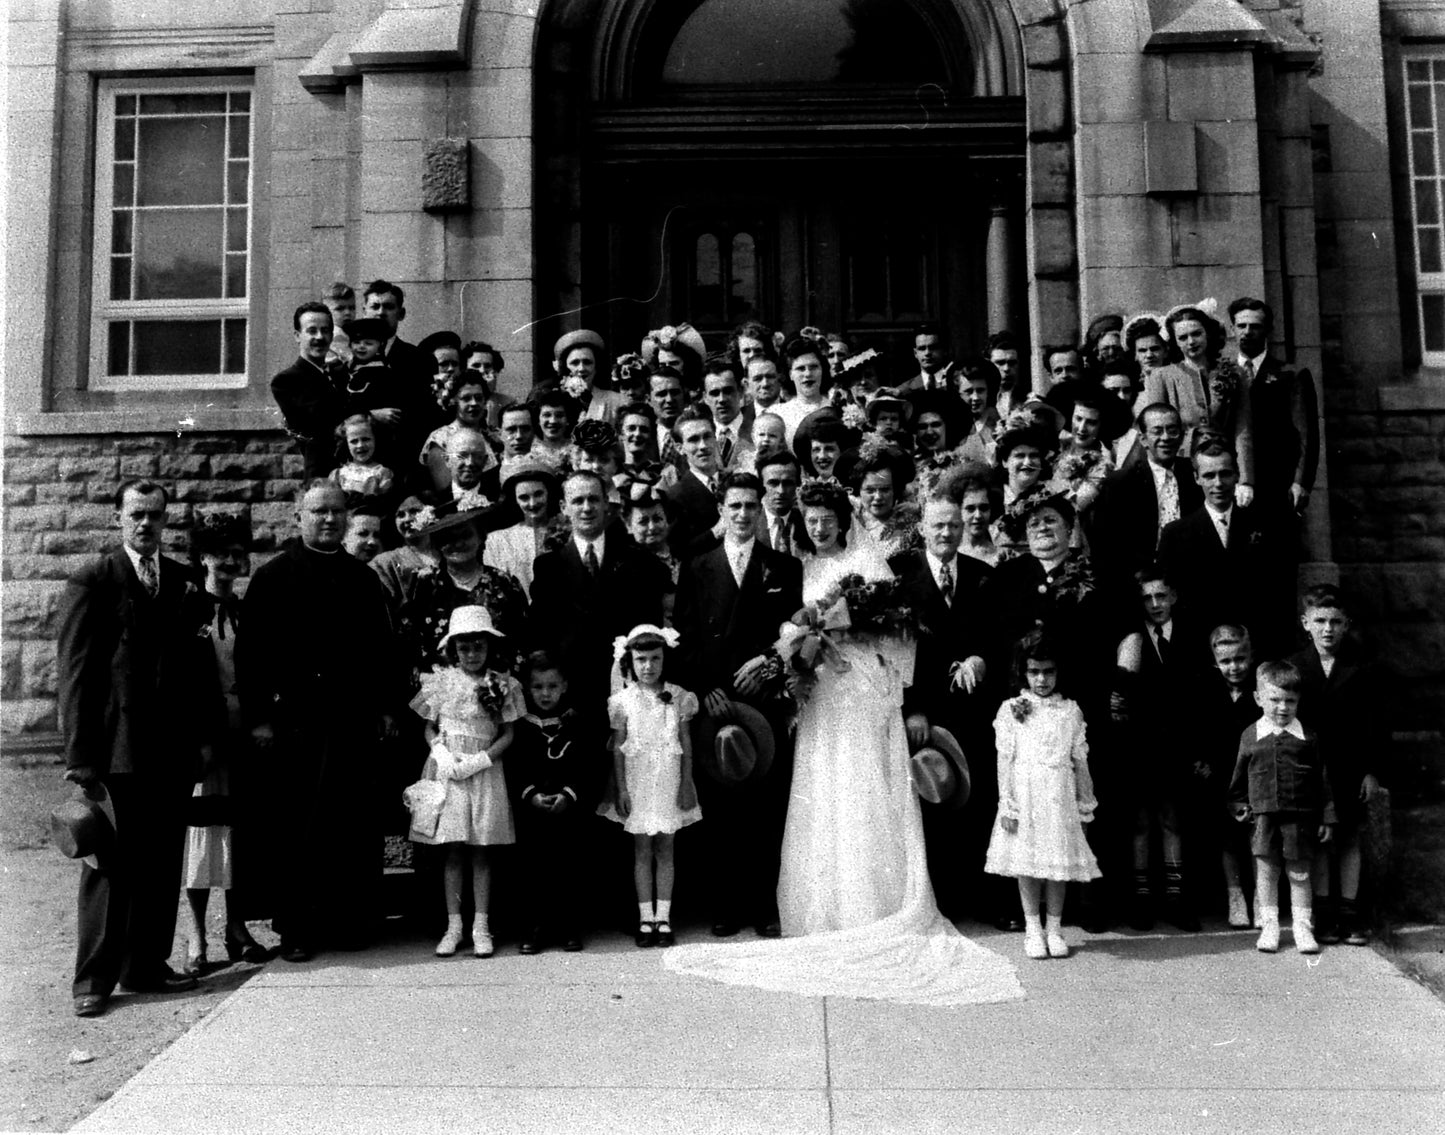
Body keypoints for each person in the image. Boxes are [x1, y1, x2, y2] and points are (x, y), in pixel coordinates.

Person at [663, 480, 1023, 1007]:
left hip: (860, 691)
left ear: (842, 518)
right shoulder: (796, 569)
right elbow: (784, 627)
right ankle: (821, 907)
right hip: (819, 696)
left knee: (863, 788)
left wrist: (855, 638)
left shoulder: (871, 566)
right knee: (821, 787)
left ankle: (874, 905)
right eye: (811, 518)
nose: (820, 525)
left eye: (827, 516)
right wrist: (799, 639)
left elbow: (899, 639)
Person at [58, 481, 216, 1017]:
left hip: (169, 750)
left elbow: (199, 672)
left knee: (160, 862)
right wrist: (80, 758)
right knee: (107, 865)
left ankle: (145, 966)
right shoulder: (94, 579)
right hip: (114, 751)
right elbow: (76, 674)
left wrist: (204, 740)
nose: (145, 524)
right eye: (135, 515)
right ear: (118, 517)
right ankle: (94, 981)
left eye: (154, 515)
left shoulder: (182, 581)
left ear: (165, 520)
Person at [237, 481, 400, 962]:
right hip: (295, 724)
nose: (328, 520)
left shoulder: (362, 578)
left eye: (336, 512)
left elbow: (382, 651)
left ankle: (348, 920)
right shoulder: (273, 577)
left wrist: (387, 708)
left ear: (347, 518)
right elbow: (251, 657)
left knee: (350, 821)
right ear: (299, 517)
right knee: (298, 825)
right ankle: (298, 927)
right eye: (318, 511)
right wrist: (260, 719)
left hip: (351, 721)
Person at [672, 472, 803, 937]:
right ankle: (725, 905)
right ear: (722, 513)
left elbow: (792, 634)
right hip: (717, 700)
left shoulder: (783, 568)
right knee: (722, 809)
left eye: (751, 506)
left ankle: (764, 906)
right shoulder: (699, 566)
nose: (744, 514)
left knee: (765, 806)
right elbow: (685, 638)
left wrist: (769, 666)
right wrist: (706, 686)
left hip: (763, 700)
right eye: (735, 507)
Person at [889, 496, 995, 921]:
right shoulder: (900, 576)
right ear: (923, 527)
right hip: (923, 713)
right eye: (938, 526)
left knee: (976, 799)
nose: (947, 532)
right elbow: (893, 652)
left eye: (954, 525)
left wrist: (980, 659)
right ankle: (941, 903)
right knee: (931, 800)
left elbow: (997, 637)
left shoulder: (983, 576)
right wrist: (913, 709)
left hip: (971, 709)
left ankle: (981, 899)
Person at [179, 513, 271, 975]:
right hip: (204, 744)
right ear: (203, 558)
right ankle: (195, 936)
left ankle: (237, 930)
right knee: (201, 836)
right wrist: (198, 738)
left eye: (239, 553)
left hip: (243, 737)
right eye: (222, 553)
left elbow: (260, 674)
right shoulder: (187, 612)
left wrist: (259, 721)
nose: (232, 561)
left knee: (239, 835)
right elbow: (182, 683)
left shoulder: (248, 612)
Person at [407, 606, 525, 958]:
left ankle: (481, 926)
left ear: (489, 647)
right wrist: (439, 751)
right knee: (453, 851)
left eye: (478, 647)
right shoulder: (441, 681)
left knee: (482, 851)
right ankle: (454, 926)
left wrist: (482, 759)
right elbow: (429, 725)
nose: (471, 655)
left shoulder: (501, 684)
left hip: (483, 770)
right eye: (464, 648)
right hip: (448, 770)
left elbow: (508, 732)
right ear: (453, 650)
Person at [985, 631, 1101, 959]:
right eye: (1034, 671)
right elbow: (1004, 762)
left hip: (1059, 797)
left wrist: (1084, 805)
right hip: (1026, 796)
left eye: (1048, 671)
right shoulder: (1011, 709)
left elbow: (1080, 762)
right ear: (1023, 672)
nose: (1041, 679)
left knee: (1057, 864)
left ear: (1059, 672)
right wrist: (1006, 803)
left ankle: (1054, 928)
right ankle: (1032, 928)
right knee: (1028, 864)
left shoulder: (1071, 711)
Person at [1291, 586, 1387, 946]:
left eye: (1335, 621)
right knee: (1318, 839)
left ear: (1347, 624)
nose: (1327, 629)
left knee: (1348, 838)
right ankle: (1325, 913)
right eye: (1320, 621)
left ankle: (1350, 913)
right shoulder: (1296, 667)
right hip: (1311, 769)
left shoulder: (1363, 668)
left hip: (1350, 767)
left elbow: (1377, 725)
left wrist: (1372, 771)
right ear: (1306, 623)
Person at [599, 625, 701, 948]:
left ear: (664, 659)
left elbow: (686, 743)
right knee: (642, 850)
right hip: (638, 780)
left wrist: (687, 783)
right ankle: (645, 918)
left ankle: (664, 918)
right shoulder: (622, 701)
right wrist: (622, 790)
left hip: (668, 778)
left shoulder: (679, 696)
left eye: (655, 659)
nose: (648, 667)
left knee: (666, 849)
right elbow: (618, 747)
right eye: (641, 659)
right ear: (630, 660)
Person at [1110, 567, 1196, 931]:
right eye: (1147, 598)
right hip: (1140, 743)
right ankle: (1142, 898)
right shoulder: (1131, 641)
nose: (1155, 604)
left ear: (1173, 596)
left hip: (1177, 741)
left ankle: (1176, 899)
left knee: (1172, 819)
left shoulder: (1190, 635)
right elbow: (1122, 695)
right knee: (1141, 821)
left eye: (1161, 596)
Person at [1229, 660, 1335, 954]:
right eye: (1274, 700)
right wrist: (1237, 804)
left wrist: (1327, 816)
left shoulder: (1308, 738)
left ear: (1299, 701)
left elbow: (1322, 781)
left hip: (1299, 819)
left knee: (1299, 873)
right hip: (1263, 819)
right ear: (1259, 698)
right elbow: (1238, 778)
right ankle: (1270, 924)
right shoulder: (1251, 735)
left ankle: (1302, 926)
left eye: (1290, 701)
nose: (1282, 707)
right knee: (1266, 871)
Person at [510, 651, 601, 954]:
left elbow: (588, 766)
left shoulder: (576, 721)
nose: (545, 694)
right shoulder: (522, 726)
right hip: (532, 810)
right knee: (533, 868)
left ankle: (569, 926)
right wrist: (531, 794)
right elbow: (514, 767)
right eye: (537, 687)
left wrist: (569, 794)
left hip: (568, 810)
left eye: (552, 686)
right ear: (527, 688)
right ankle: (536, 926)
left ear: (564, 686)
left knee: (569, 866)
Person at [1157, 440, 1275, 660]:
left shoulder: (1262, 527)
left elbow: (1274, 594)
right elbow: (1171, 602)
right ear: (1196, 478)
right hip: (1198, 652)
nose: (1218, 483)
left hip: (1252, 651)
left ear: (1238, 475)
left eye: (1225, 474)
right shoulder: (1176, 534)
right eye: (1210, 475)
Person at [1191, 624, 1261, 929]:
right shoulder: (1206, 690)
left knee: (1259, 838)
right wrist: (1201, 764)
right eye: (1226, 662)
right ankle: (1236, 897)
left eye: (1240, 659)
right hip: (1220, 778)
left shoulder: (1260, 692)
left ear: (1251, 655)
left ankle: (1262, 897)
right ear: (1215, 662)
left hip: (1256, 776)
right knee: (1228, 839)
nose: (1234, 667)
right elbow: (1196, 733)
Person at [1143, 303, 1253, 493]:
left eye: (1196, 334)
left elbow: (1242, 429)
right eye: (1183, 337)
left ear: (1208, 333)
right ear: (1175, 342)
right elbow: (1156, 434)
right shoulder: (1161, 377)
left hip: (1223, 467)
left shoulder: (1234, 373)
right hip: (1181, 468)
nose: (1191, 341)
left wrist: (1245, 481)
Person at [272, 301, 346, 478]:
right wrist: (369, 414)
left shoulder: (341, 373)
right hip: (323, 475)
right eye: (312, 331)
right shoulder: (286, 381)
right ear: (298, 336)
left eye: (325, 330)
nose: (320, 337)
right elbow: (319, 423)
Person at [483, 463, 560, 599]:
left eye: (538, 494)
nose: (532, 503)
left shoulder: (566, 531)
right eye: (524, 497)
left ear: (548, 493)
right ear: (515, 500)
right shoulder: (498, 540)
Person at [421, 369, 499, 495]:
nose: (474, 403)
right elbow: (445, 492)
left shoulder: (493, 436)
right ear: (454, 402)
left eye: (479, 398)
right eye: (466, 398)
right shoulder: (441, 438)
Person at [555, 329, 626, 422]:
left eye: (587, 362)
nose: (581, 368)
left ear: (595, 367)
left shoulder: (615, 401)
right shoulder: (556, 400)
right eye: (575, 363)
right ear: (565, 367)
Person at [774, 338, 833, 441]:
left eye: (813, 367)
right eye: (801, 369)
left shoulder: (835, 409)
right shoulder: (778, 414)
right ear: (790, 374)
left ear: (822, 370)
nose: (808, 374)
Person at [702, 358, 755, 472]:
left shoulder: (757, 431)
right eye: (714, 393)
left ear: (740, 392)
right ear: (705, 398)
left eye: (728, 391)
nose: (721, 399)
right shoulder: (698, 436)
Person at [329, 413, 396, 503]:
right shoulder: (338, 475)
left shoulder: (382, 473)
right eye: (354, 441)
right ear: (346, 444)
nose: (360, 445)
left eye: (365, 439)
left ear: (375, 439)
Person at [461, 340, 517, 428]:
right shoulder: (456, 400)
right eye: (476, 365)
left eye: (487, 366)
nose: (482, 370)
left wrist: (489, 395)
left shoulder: (508, 403)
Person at [898, 322, 952, 393]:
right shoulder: (903, 390)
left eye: (933, 348)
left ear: (944, 350)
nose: (927, 353)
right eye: (922, 348)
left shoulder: (960, 384)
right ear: (915, 353)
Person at [322, 281, 355, 368]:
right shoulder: (335, 337)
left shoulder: (352, 333)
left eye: (352, 308)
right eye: (340, 309)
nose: (348, 313)